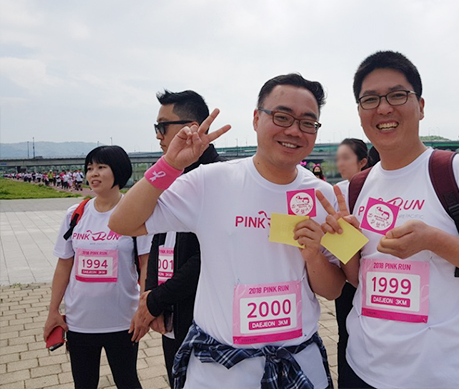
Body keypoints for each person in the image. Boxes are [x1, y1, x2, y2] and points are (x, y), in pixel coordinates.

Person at [109, 74, 346, 389]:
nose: (293, 130)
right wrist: (169, 165)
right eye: (282, 117)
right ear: (256, 118)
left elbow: (333, 290)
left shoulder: (324, 196)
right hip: (219, 371)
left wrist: (314, 255)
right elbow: (121, 223)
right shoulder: (211, 181)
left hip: (298, 364)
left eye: (307, 122)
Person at [321, 51, 459, 389]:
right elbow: (359, 280)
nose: (383, 108)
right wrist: (343, 241)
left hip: (442, 375)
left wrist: (434, 240)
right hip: (362, 367)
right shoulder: (356, 188)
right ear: (360, 112)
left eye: (397, 95)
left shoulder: (457, 172)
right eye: (370, 99)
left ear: (421, 106)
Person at [129, 89, 224, 388]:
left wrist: (156, 300)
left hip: (203, 316)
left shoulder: (217, 177)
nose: (158, 135)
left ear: (191, 128)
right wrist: (151, 294)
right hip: (171, 310)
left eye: (162, 126)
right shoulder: (172, 172)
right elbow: (157, 239)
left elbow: (208, 256)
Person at [43, 146, 152, 389]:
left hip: (123, 321)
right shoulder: (75, 215)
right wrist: (53, 310)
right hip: (80, 321)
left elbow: (146, 264)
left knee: (127, 381)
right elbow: (64, 265)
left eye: (101, 167)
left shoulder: (135, 214)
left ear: (119, 171)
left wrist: (143, 311)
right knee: (84, 383)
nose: (93, 173)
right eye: (90, 168)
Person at [333, 138, 368, 388]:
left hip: (372, 277)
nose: (340, 163)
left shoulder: (373, 190)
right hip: (345, 277)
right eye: (338, 158)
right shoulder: (336, 191)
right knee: (345, 333)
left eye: (346, 158)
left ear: (362, 162)